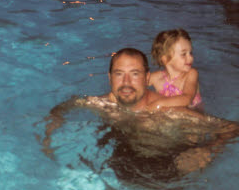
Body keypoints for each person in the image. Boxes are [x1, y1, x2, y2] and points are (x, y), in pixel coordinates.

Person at [43, 48, 239, 176]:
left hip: (169, 167)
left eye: (134, 74)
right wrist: (52, 127)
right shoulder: (102, 104)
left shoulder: (169, 112)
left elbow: (232, 128)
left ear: (147, 78)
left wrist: (207, 149)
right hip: (122, 159)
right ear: (110, 77)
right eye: (119, 74)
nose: (126, 83)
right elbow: (64, 107)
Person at [148, 29, 202, 109]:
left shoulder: (191, 74)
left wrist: (158, 104)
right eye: (184, 54)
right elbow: (137, 85)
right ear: (165, 59)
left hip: (192, 113)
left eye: (190, 53)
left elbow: (187, 99)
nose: (190, 57)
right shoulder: (156, 78)